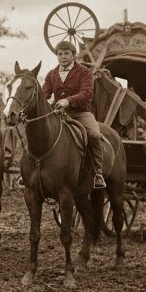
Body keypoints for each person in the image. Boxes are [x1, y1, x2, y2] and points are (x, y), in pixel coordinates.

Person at [42, 40, 107, 188]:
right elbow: (44, 94)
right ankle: (35, 169)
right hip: (58, 114)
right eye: (60, 54)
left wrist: (68, 101)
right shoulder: (51, 74)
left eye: (66, 53)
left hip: (81, 113)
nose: (63, 57)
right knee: (40, 131)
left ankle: (98, 172)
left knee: (94, 135)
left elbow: (86, 93)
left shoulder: (84, 72)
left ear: (73, 55)